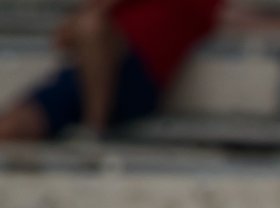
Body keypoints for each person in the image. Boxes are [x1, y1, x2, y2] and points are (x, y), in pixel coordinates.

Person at [0, 0, 221, 142]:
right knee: (11, 125)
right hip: (91, 74)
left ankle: (95, 129)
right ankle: (93, 129)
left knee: (91, 26)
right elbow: (64, 37)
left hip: (136, 79)